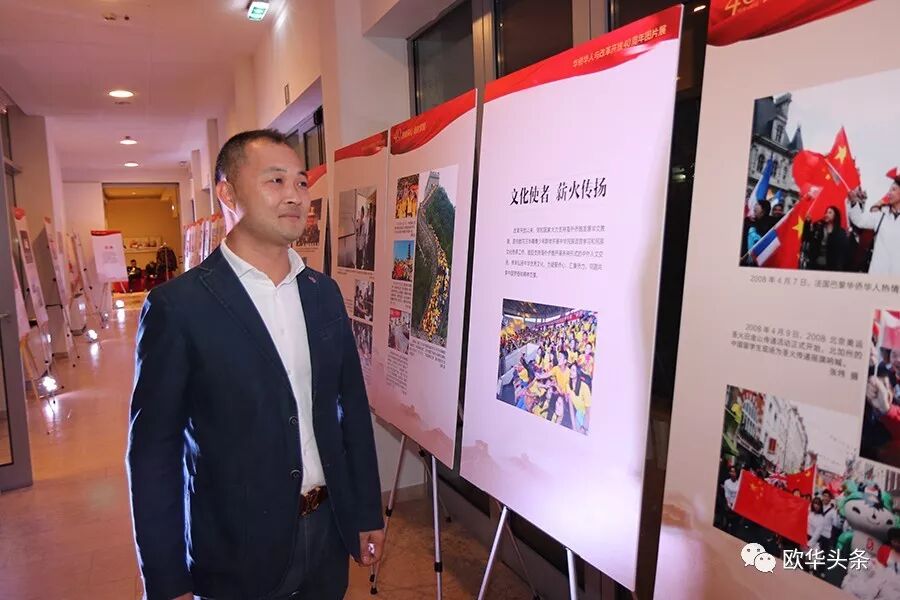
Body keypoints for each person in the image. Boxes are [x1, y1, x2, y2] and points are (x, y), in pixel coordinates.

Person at [127, 129, 384, 600]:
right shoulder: (178, 307)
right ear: (228, 194)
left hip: (328, 533)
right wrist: (165, 579)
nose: (296, 196)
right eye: (276, 181)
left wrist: (367, 510)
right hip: (235, 550)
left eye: (301, 182)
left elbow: (350, 409)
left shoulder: (323, 293)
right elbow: (153, 453)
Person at [847, 168, 900, 275]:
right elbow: (859, 220)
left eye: (893, 190)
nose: (889, 193)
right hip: (878, 275)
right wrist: (853, 202)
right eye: (889, 190)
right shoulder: (881, 216)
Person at [803, 205, 849, 271]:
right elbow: (806, 237)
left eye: (830, 213)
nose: (827, 214)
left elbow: (842, 252)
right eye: (826, 212)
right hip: (815, 265)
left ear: (835, 216)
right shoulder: (818, 226)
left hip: (831, 267)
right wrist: (807, 223)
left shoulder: (840, 232)